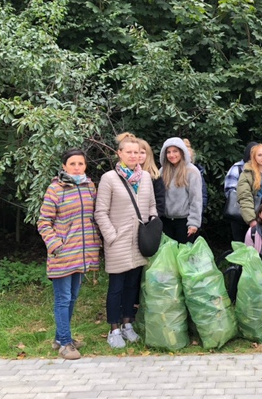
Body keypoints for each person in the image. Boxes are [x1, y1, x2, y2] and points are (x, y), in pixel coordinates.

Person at [95, 133, 157, 349]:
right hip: (118, 241)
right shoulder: (109, 178)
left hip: (139, 240)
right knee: (116, 287)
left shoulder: (146, 178)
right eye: (128, 152)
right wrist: (111, 236)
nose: (132, 155)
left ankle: (127, 323)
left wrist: (152, 227)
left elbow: (151, 206)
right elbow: (100, 212)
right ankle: (113, 329)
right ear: (119, 153)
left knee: (132, 285)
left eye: (135, 152)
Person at [38, 148, 101, 360]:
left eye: (80, 164)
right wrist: (55, 244)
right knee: (63, 299)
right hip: (63, 253)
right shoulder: (55, 189)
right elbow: (44, 222)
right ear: (64, 166)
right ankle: (66, 343)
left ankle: (60, 338)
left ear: (85, 166)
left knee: (72, 297)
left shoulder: (89, 186)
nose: (77, 168)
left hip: (82, 253)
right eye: (72, 164)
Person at [158, 137, 203, 244]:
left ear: (182, 152)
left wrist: (194, 223)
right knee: (167, 256)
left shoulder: (192, 171)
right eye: (168, 152)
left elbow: (196, 199)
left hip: (184, 221)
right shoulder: (162, 171)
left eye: (175, 151)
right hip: (166, 220)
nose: (171, 155)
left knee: (183, 256)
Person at [224, 142, 258, 242]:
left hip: (257, 214)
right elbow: (229, 192)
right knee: (239, 244)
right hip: (239, 213)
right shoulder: (237, 168)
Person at [183, 138, 209, 227]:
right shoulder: (166, 171)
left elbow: (202, 197)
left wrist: (196, 217)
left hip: (191, 218)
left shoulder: (196, 172)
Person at [138, 139, 165, 217]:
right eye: (137, 152)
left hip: (149, 221)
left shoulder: (155, 177)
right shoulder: (126, 175)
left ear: (148, 154)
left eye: (142, 152)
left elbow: (160, 202)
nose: (139, 155)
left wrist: (153, 220)